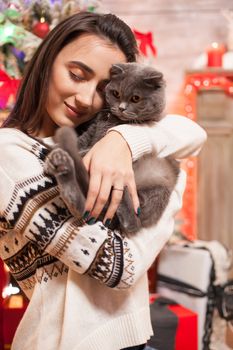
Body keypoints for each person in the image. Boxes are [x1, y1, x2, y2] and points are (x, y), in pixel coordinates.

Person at [0, 12, 206, 350]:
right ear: (47, 60)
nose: (85, 99)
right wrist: (175, 184)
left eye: (102, 89)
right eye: (76, 74)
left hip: (137, 340)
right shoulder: (9, 151)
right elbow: (117, 265)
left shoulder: (102, 139)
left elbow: (193, 133)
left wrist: (123, 141)